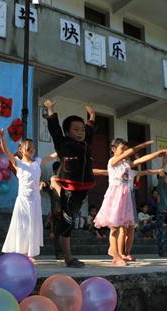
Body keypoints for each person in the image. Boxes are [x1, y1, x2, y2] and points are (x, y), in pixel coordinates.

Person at [93, 138, 167, 266]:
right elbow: (129, 156)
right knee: (115, 227)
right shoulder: (112, 162)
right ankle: (116, 256)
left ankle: (121, 253)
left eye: (126, 150)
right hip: (115, 197)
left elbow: (141, 161)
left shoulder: (126, 165)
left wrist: (156, 154)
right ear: (113, 149)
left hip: (126, 198)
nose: (125, 152)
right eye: (122, 149)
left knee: (126, 226)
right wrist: (142, 145)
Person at [43, 100, 96, 268]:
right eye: (76, 129)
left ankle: (63, 245)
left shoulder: (86, 144)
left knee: (70, 218)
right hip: (68, 190)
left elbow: (89, 130)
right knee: (68, 222)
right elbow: (55, 130)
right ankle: (68, 257)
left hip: (83, 189)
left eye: (82, 130)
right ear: (67, 132)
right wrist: (51, 110)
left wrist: (92, 117)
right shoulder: (63, 143)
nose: (81, 132)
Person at [0, 127, 57, 262]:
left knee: (33, 225)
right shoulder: (18, 163)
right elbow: (7, 152)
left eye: (33, 147)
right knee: (23, 225)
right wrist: (2, 139)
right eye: (29, 148)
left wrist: (62, 147)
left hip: (35, 200)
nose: (32, 150)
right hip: (24, 200)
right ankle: (21, 252)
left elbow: (52, 156)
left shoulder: (37, 162)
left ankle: (29, 252)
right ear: (21, 150)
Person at [40, 161, 64, 259]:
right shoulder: (53, 181)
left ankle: (66, 251)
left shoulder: (67, 181)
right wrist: (44, 183)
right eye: (59, 171)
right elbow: (46, 184)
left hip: (67, 212)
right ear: (54, 171)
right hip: (57, 211)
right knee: (58, 233)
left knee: (66, 233)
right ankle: (59, 252)